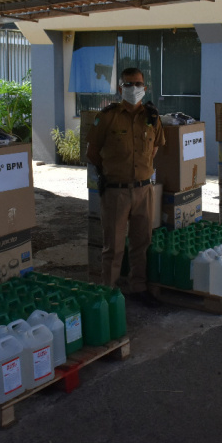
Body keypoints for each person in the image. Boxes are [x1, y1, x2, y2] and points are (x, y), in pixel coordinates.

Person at [86, 67, 166, 307]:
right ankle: (108, 294)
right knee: (114, 247)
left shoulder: (152, 118)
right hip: (116, 191)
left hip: (144, 190)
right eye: (129, 85)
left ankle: (138, 288)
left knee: (141, 243)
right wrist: (112, 173)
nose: (134, 89)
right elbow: (92, 152)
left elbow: (156, 147)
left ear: (145, 87)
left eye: (138, 84)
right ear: (120, 88)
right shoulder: (108, 116)